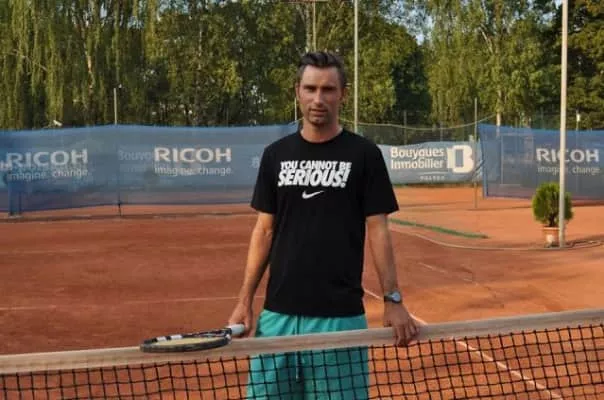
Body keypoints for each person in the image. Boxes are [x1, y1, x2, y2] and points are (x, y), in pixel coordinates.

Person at [228, 51, 418, 399]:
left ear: (343, 94)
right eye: (311, 88)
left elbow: (378, 229)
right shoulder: (275, 155)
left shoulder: (364, 155)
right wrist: (245, 300)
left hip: (339, 319)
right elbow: (264, 231)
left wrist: (392, 299)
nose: (319, 99)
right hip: (277, 318)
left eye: (328, 89)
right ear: (297, 92)